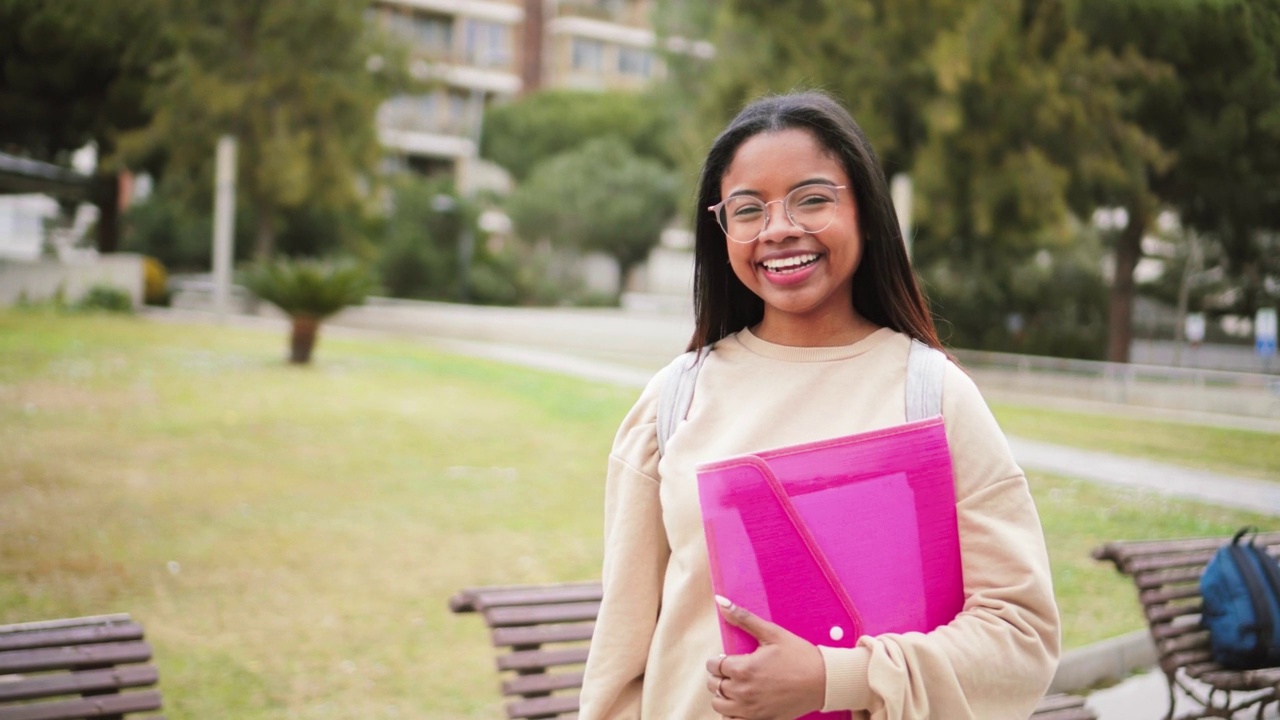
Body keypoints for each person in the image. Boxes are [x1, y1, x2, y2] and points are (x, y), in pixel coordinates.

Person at [578, 90, 1060, 720]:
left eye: (812, 199)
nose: (779, 229)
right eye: (748, 210)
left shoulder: (932, 395)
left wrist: (840, 678)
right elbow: (622, 656)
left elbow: (1020, 638)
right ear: (722, 231)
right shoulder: (673, 400)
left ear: (864, 210)